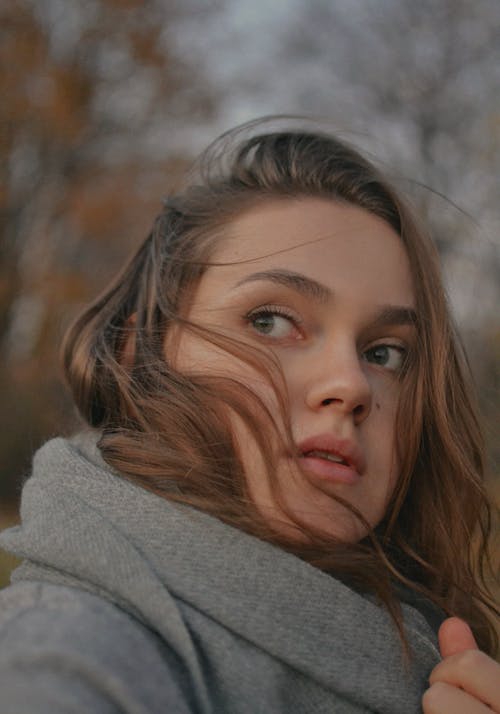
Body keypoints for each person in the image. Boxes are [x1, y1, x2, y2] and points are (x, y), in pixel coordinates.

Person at [0, 120, 498, 713]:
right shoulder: (74, 658)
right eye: (269, 321)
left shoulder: (437, 660)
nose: (350, 383)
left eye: (384, 353)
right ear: (142, 349)